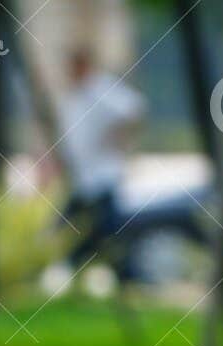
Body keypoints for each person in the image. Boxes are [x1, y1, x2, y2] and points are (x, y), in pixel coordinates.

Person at [56, 48, 146, 277]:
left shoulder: (100, 88)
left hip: (103, 177)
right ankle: (68, 267)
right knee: (71, 227)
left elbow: (133, 109)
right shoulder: (74, 95)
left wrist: (118, 138)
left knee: (106, 229)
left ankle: (124, 274)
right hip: (82, 179)